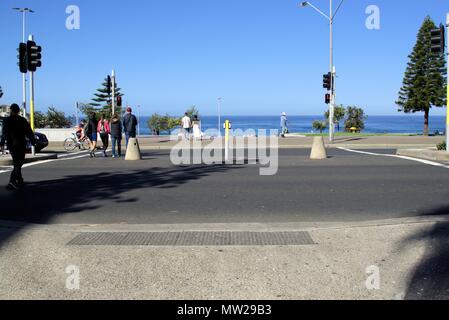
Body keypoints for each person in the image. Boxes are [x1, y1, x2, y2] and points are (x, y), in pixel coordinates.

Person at [0, 104, 36, 190]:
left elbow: (4, 133)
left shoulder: (6, 120)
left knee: (17, 162)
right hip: (21, 144)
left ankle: (19, 180)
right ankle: (13, 181)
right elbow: (29, 131)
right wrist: (32, 141)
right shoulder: (22, 120)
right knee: (19, 162)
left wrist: (1, 143)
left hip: (12, 145)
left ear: (11, 110)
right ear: (18, 111)